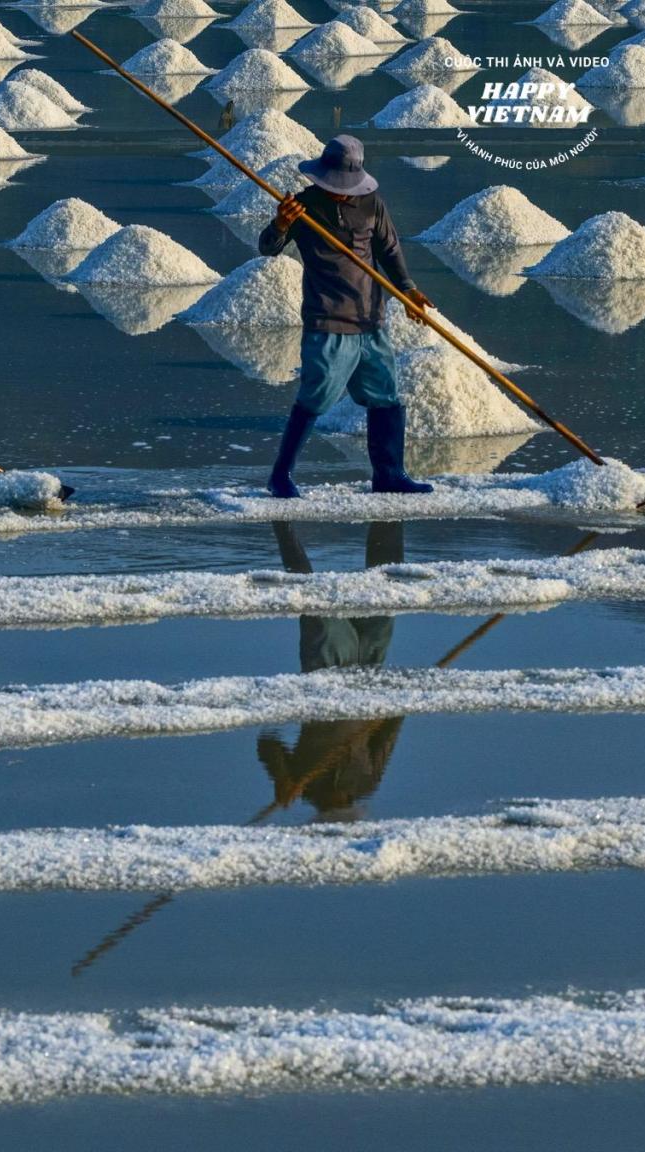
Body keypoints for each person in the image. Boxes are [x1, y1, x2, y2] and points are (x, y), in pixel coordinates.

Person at [257, 135, 434, 499]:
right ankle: (281, 476)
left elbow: (389, 249)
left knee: (386, 395)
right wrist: (278, 225)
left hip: (371, 318)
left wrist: (408, 290)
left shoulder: (371, 204)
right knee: (315, 396)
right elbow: (268, 248)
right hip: (328, 319)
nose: (340, 192)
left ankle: (389, 474)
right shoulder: (302, 207)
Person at [256, 521, 406, 821]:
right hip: (369, 669)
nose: (349, 805)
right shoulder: (367, 783)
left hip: (328, 668)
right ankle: (389, 513)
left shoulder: (304, 783)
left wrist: (281, 778)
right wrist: (390, 704)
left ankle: (281, 521)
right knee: (387, 590)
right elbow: (394, 723)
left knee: (314, 600)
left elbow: (267, 741)